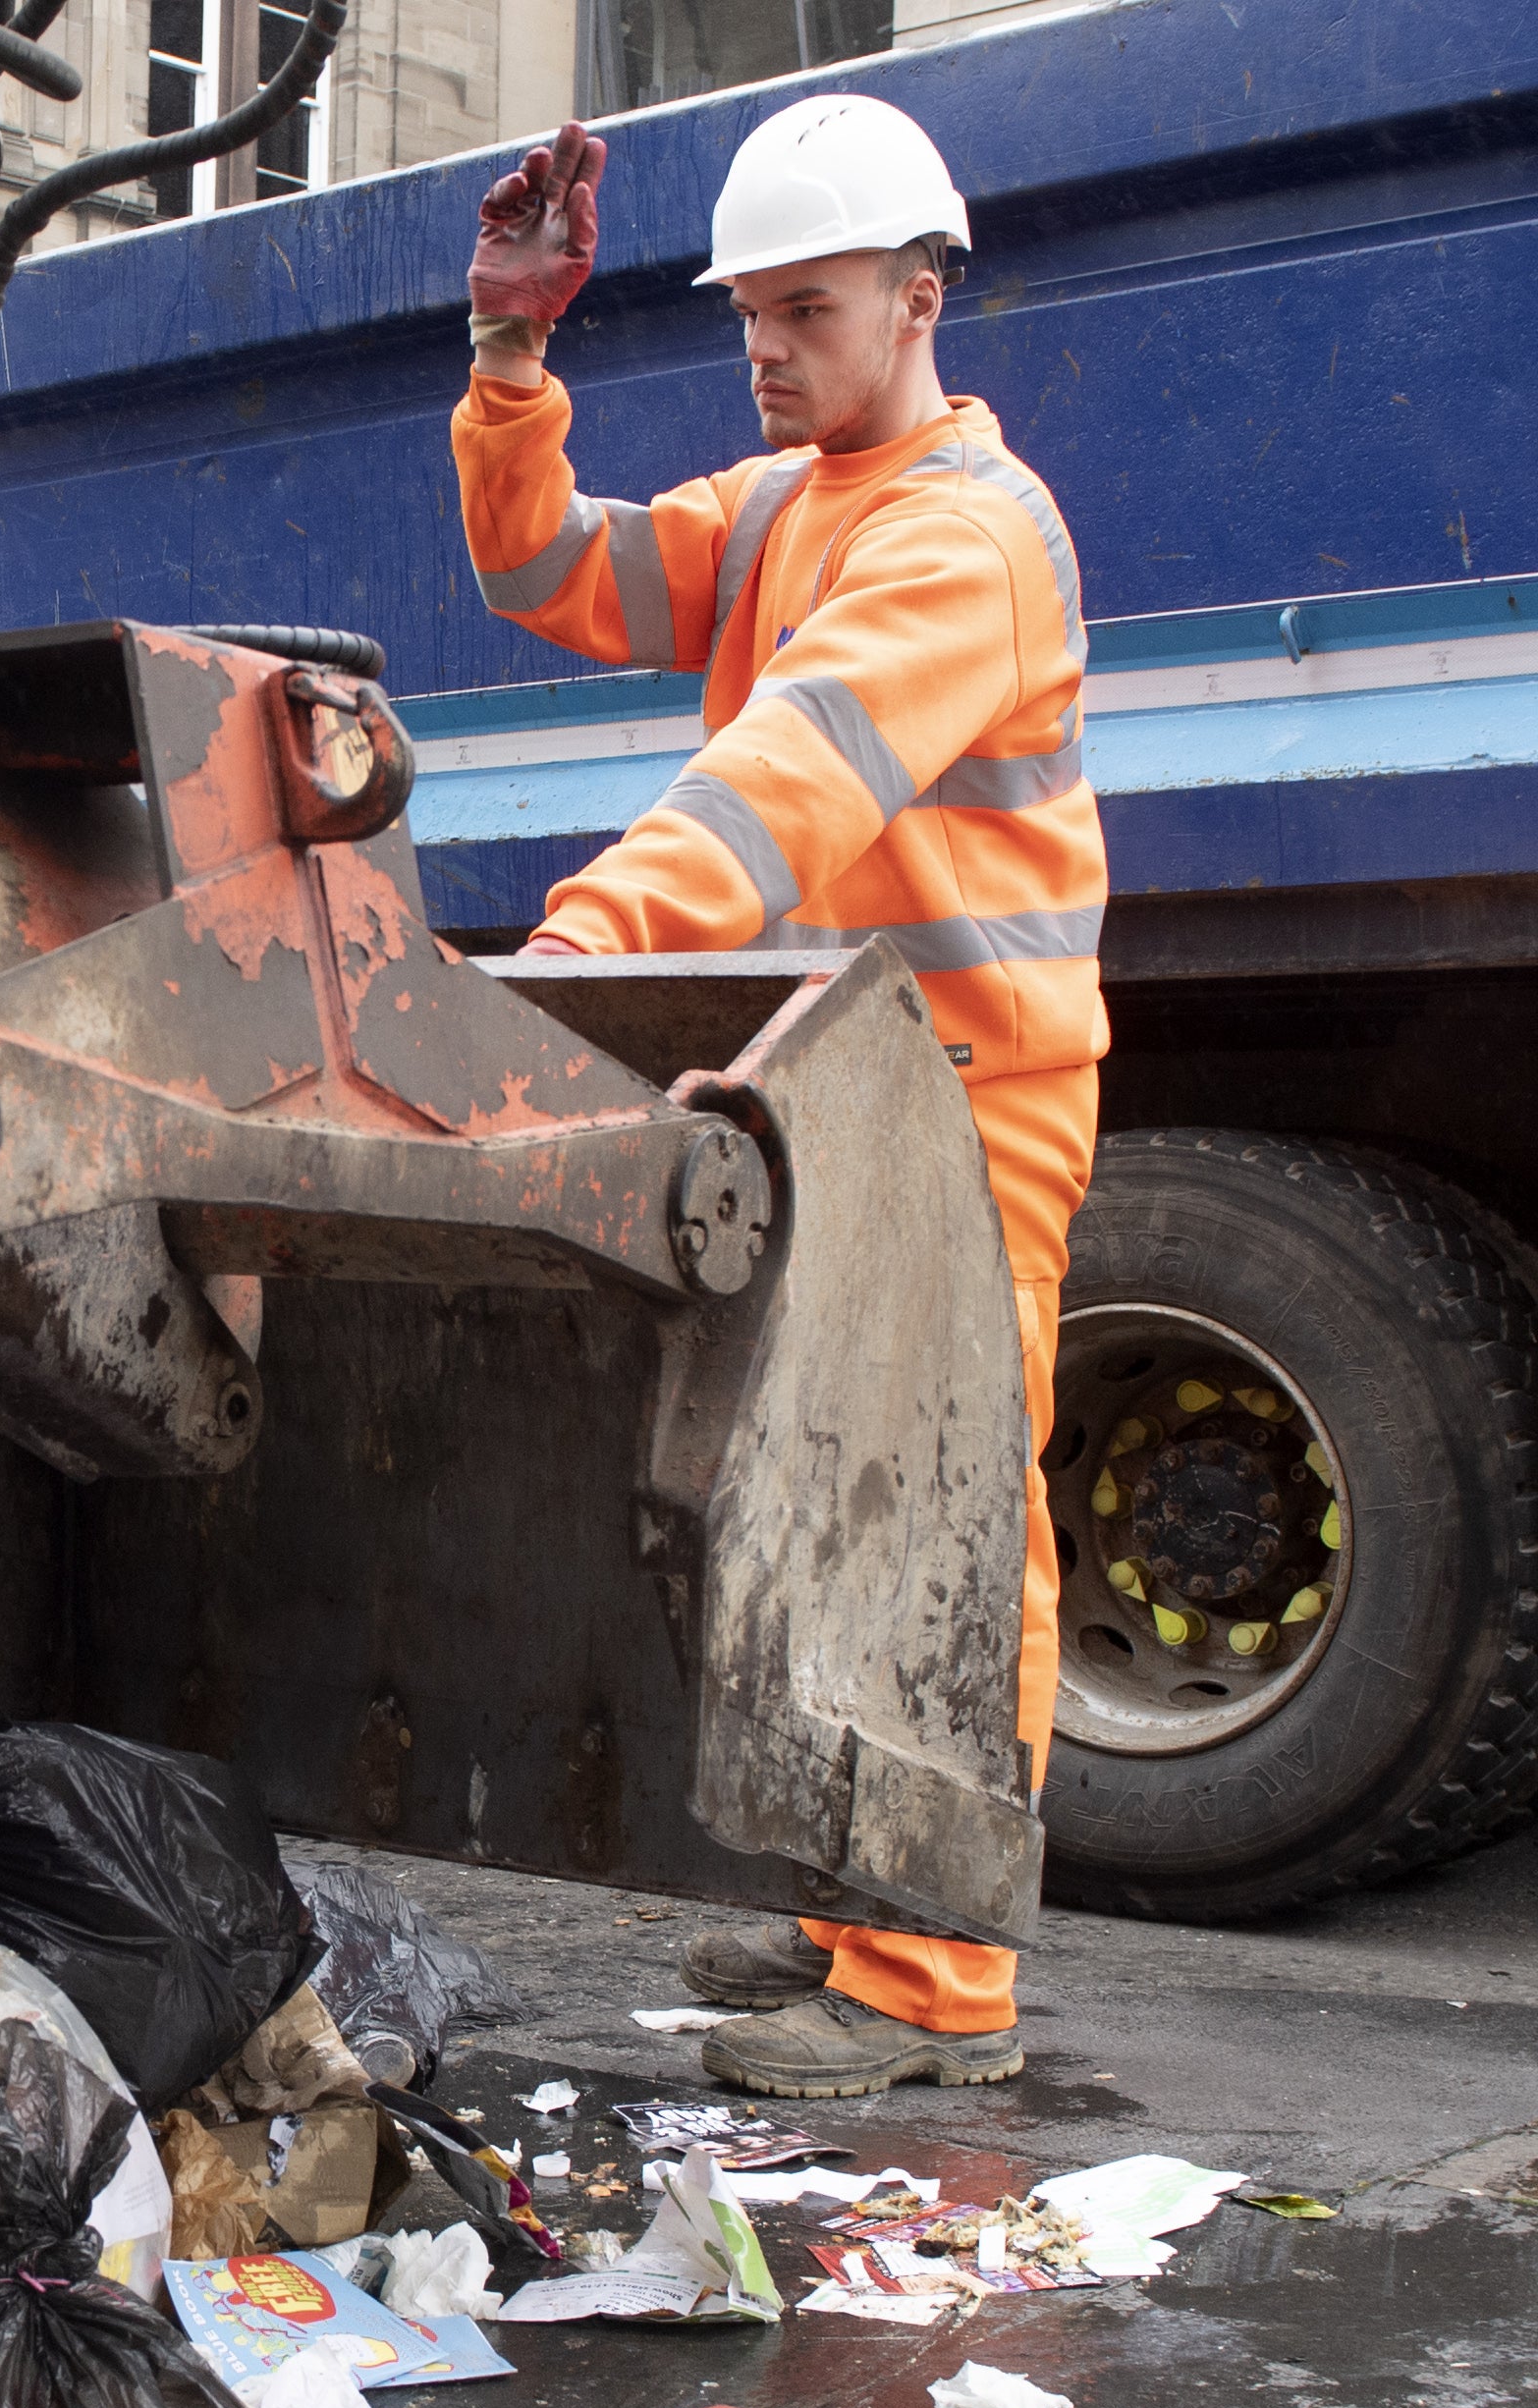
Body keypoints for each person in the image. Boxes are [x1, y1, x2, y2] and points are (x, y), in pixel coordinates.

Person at [454, 96, 1106, 2099]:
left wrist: (572, 958)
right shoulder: (770, 507)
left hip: (971, 1085)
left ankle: (930, 1988)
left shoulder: (965, 536)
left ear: (921, 301)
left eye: (805, 311)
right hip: (838, 1074)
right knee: (818, 1493)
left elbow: (797, 771)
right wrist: (506, 359)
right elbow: (548, 574)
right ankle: (850, 1904)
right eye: (748, 313)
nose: (763, 346)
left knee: (942, 1509)